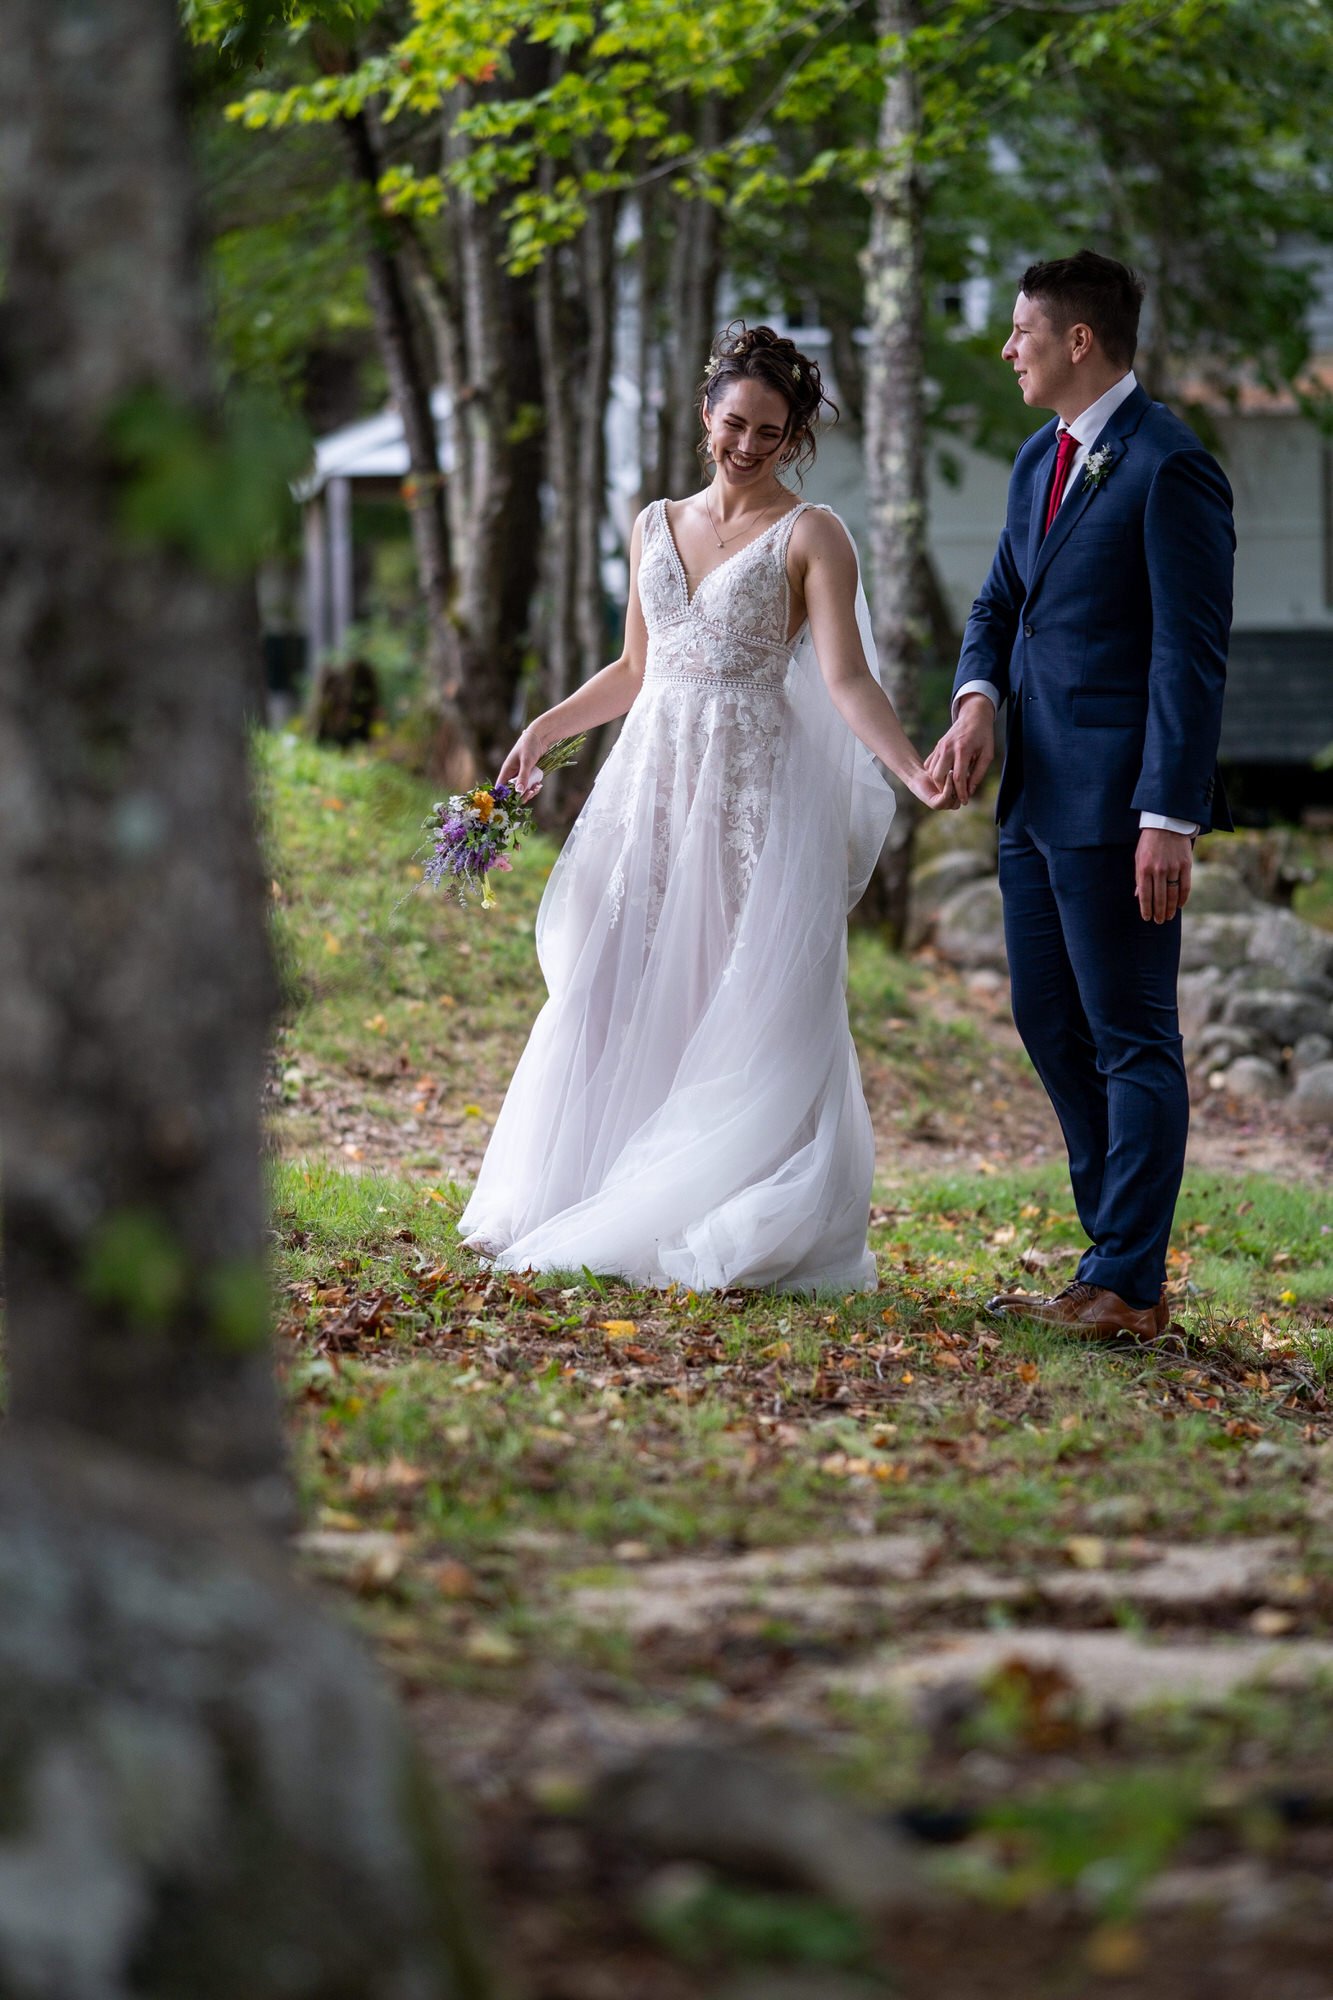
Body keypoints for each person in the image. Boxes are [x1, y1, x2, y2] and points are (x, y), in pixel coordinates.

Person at [459, 323, 950, 1292]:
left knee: (731, 985)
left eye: (770, 433)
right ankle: (587, 1185)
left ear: (793, 437)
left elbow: (846, 680)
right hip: (651, 781)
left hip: (747, 791)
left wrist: (909, 766)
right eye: (734, 425)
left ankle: (720, 1204)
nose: (747, 447)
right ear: (704, 415)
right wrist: (545, 729)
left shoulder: (813, 536)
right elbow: (641, 668)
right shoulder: (653, 523)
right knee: (613, 973)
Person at [927, 251, 1234, 1339]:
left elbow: (1187, 659)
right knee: (1049, 1019)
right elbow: (1000, 599)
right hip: (1030, 799)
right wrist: (974, 702)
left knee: (1131, 1034)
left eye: (1018, 331)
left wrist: (1168, 814)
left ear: (1077, 342)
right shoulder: (1034, 460)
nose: (1006, 348)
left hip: (1119, 810)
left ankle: (1127, 1280)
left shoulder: (1169, 467)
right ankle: (1110, 1258)